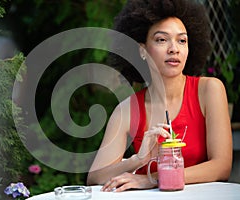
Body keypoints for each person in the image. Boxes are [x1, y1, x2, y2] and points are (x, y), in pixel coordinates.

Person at [87, 0, 232, 192]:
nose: (174, 49)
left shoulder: (209, 90)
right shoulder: (127, 110)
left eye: (182, 40)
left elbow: (222, 166)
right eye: (162, 40)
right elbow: (95, 177)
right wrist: (138, 159)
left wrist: (153, 178)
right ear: (142, 50)